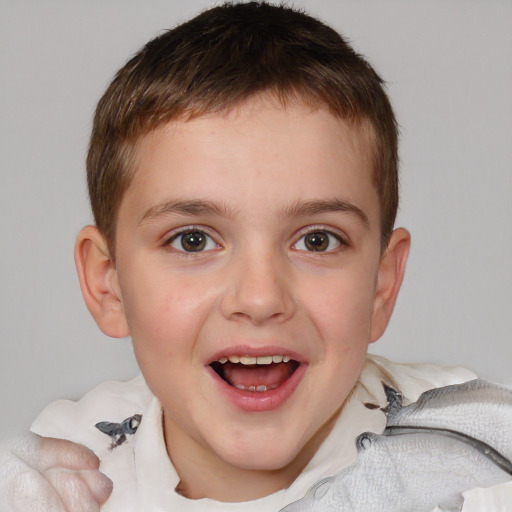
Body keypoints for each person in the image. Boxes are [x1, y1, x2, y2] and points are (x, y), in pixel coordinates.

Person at [1, 2, 510, 511]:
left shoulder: (480, 459)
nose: (261, 297)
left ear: (381, 285)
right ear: (107, 283)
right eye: (193, 240)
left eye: (317, 240)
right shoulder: (58, 475)